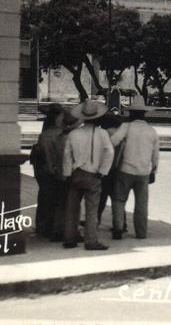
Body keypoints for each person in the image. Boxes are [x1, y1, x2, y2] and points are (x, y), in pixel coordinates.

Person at [62, 99, 114, 250]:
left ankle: (70, 238)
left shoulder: (74, 133)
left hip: (76, 173)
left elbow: (67, 154)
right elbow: (110, 152)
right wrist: (103, 171)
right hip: (93, 175)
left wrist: (67, 173)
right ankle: (91, 241)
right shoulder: (102, 133)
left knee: (72, 207)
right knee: (91, 210)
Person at [108, 104, 159, 240]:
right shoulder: (151, 131)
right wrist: (153, 170)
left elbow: (112, 142)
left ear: (131, 114)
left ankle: (118, 227)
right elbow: (155, 155)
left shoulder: (126, 127)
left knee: (119, 199)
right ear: (144, 114)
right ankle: (141, 232)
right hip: (143, 172)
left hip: (125, 169)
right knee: (141, 204)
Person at [31, 104, 66, 240]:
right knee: (56, 200)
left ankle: (42, 226)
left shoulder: (45, 133)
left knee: (44, 198)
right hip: (53, 171)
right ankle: (52, 227)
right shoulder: (57, 134)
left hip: (43, 171)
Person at [96, 113, 127, 230]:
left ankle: (96, 219)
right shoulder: (121, 133)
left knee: (101, 197)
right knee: (117, 199)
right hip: (118, 168)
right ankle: (121, 223)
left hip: (106, 169)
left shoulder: (106, 133)